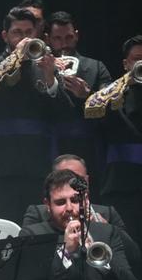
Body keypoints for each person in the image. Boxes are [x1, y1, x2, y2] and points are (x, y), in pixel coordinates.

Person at [0, 7, 73, 223]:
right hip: (0, 164)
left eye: (29, 32)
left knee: (37, 227)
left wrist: (50, 78)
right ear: (5, 36)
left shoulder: (47, 64)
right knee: (1, 226)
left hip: (37, 163)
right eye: (17, 32)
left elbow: (64, 112)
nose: (25, 38)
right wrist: (14, 60)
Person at [87, 34, 142, 280]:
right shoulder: (113, 92)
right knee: (129, 240)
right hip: (122, 180)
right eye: (138, 59)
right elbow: (97, 121)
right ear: (126, 63)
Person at [45, 11, 113, 172]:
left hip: (89, 146)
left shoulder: (96, 67)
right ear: (47, 39)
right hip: (49, 144)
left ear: (76, 35)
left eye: (68, 37)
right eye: (57, 38)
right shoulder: (40, 68)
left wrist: (87, 96)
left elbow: (111, 106)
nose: (63, 44)